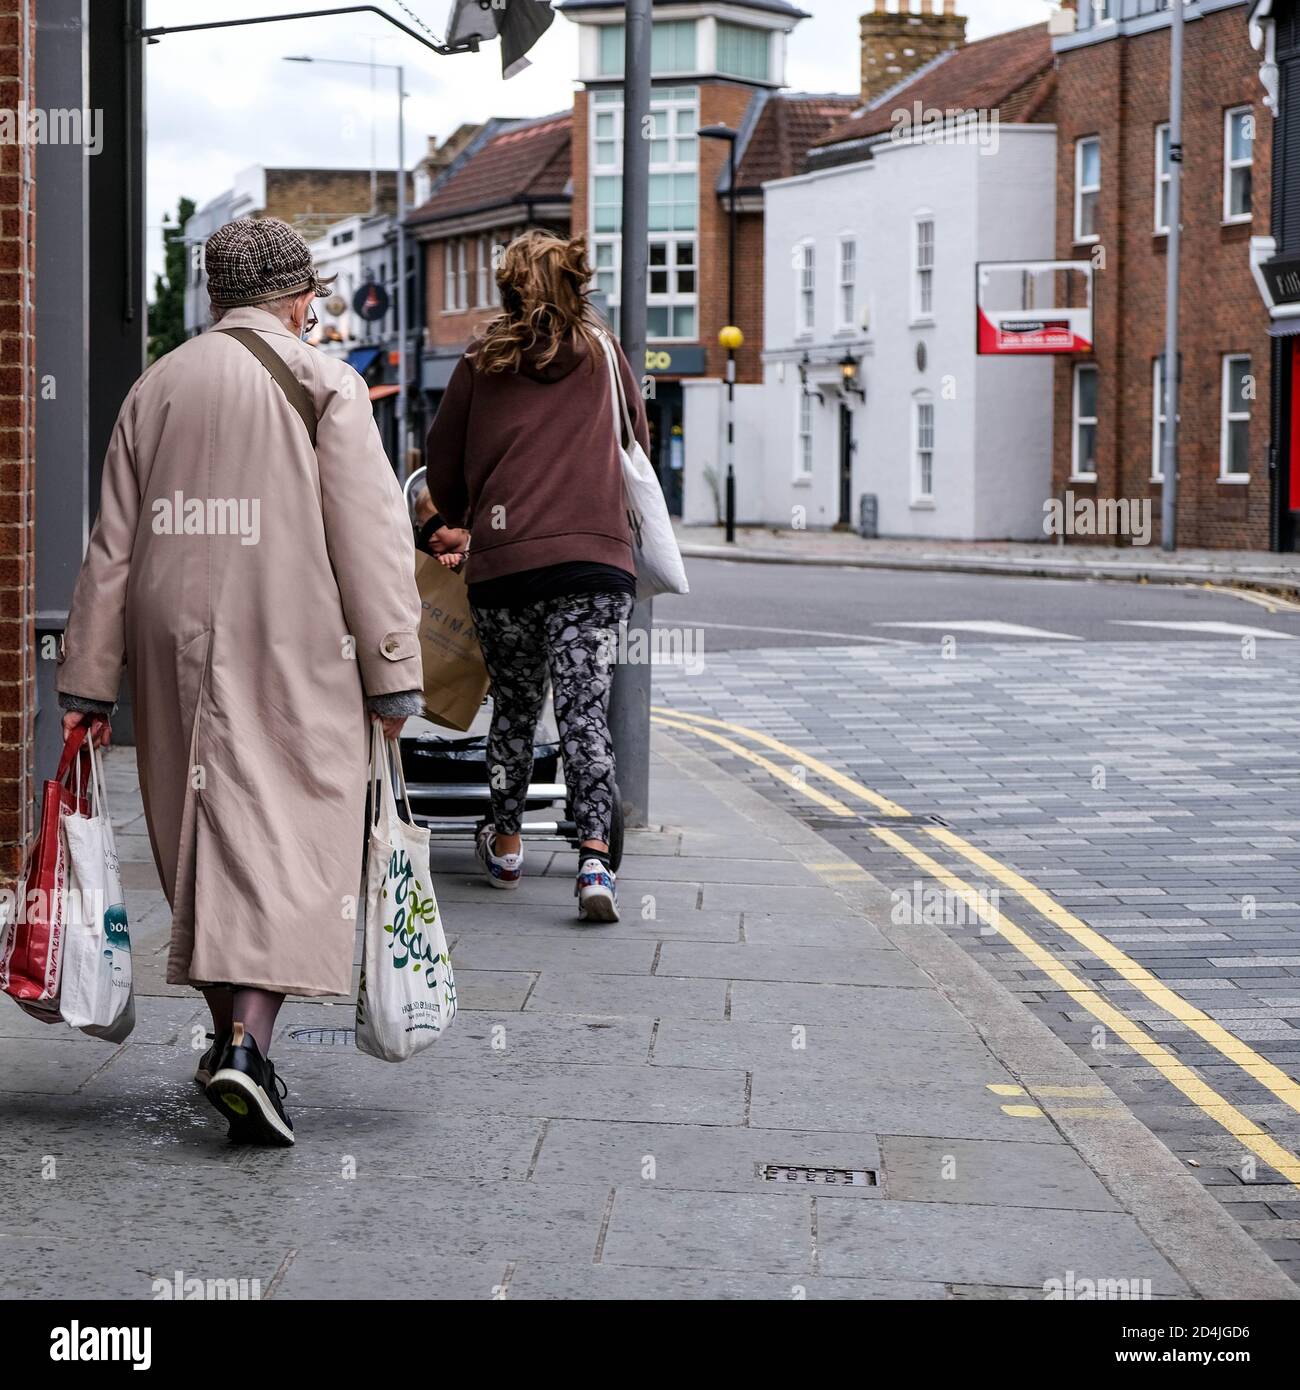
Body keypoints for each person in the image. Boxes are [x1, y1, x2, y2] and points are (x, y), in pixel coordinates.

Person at [57, 217, 424, 1146]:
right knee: (289, 835)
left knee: (203, 833)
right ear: (297, 299)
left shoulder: (157, 386)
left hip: (170, 637)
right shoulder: (326, 382)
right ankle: (249, 1048)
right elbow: (373, 542)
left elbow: (109, 552)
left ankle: (230, 1039)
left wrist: (89, 685)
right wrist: (391, 672)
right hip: (297, 638)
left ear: (216, 298)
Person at [424, 231, 647, 923]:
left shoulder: (479, 360)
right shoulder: (605, 352)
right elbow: (635, 432)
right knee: (585, 710)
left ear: (507, 286)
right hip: (594, 562)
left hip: (507, 565)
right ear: (575, 281)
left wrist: (463, 515)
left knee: (517, 709)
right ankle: (592, 860)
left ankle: (509, 843)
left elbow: (445, 467)